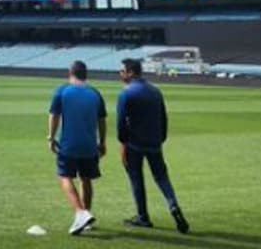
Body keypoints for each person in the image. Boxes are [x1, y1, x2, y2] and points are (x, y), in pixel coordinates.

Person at [117, 58, 190, 234]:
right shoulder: (156, 91)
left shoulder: (126, 93)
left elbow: (121, 124)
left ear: (130, 72)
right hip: (154, 142)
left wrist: (123, 143)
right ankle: (173, 206)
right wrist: (161, 138)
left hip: (134, 144)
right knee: (162, 177)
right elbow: (164, 118)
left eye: (122, 71)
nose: (120, 74)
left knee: (136, 178)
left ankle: (143, 217)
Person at [48, 60, 107, 236]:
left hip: (69, 144)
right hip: (90, 145)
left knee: (65, 176)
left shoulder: (62, 91)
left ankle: (80, 212)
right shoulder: (95, 93)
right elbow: (102, 120)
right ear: (85, 74)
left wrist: (51, 137)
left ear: (70, 73)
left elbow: (54, 116)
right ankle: (86, 218)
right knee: (86, 179)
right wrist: (102, 142)